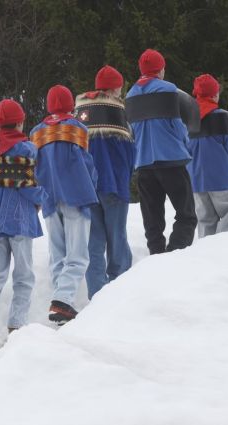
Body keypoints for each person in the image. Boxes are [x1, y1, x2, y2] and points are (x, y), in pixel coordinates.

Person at [30, 85, 97, 323]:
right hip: (76, 195)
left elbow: (34, 167)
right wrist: (92, 186)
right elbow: (86, 163)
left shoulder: (37, 132)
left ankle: (61, 304)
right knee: (78, 255)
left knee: (57, 253)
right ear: (70, 104)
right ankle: (63, 301)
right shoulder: (77, 127)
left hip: (48, 198)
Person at [0, 99, 45, 336]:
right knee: (24, 275)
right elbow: (27, 186)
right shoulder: (26, 148)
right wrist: (45, 197)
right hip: (19, 219)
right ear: (19, 121)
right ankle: (17, 326)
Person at [125, 49, 198, 254]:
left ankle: (156, 255)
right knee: (186, 215)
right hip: (171, 160)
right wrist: (184, 143)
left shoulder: (130, 94)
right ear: (161, 69)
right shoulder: (168, 89)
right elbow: (177, 126)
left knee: (152, 219)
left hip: (144, 163)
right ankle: (175, 253)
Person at [75, 65, 135, 298]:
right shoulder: (119, 113)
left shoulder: (80, 113)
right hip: (114, 184)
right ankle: (121, 290)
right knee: (117, 239)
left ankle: (97, 294)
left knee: (95, 243)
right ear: (115, 88)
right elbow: (130, 152)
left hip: (87, 187)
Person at [187, 74, 228, 237]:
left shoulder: (187, 118)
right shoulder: (223, 117)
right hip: (223, 180)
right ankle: (224, 257)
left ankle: (207, 257)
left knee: (205, 222)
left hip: (197, 181)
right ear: (214, 95)